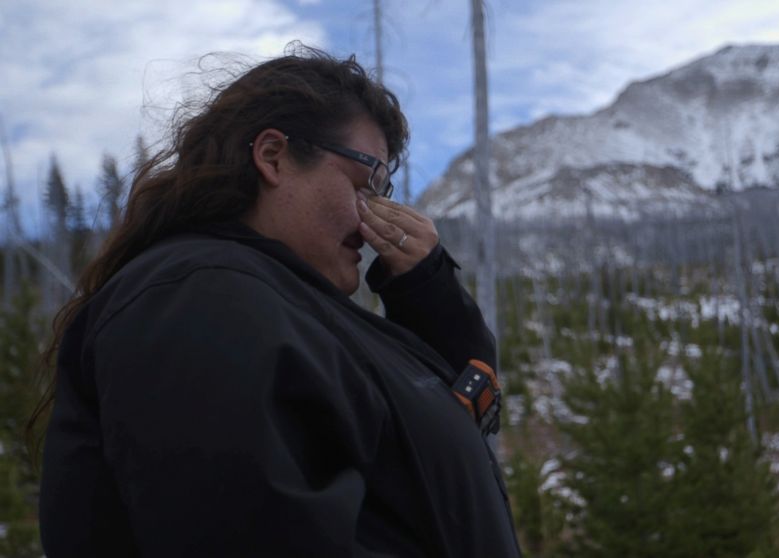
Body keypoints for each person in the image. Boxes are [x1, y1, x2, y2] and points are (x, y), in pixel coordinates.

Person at [36, 44, 520, 557]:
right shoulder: (202, 299)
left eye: (386, 190)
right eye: (366, 182)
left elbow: (452, 435)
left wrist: (430, 292)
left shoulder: (287, 305)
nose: (374, 214)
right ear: (274, 157)